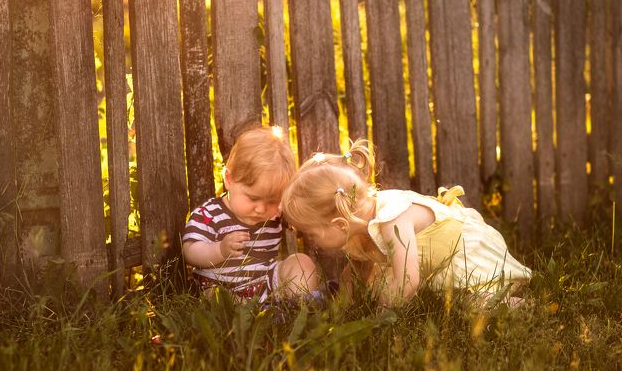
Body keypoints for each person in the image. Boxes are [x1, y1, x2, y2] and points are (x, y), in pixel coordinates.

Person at [281, 141, 532, 306]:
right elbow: (353, 276)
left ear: (339, 224)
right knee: (424, 296)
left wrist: (383, 314)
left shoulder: (392, 220)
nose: (311, 242)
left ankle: (516, 305)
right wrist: (341, 308)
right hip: (435, 262)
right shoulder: (358, 227)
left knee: (471, 305)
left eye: (311, 234)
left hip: (463, 253)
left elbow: (408, 279)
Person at [181, 125, 321, 303]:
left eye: (272, 201)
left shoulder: (275, 214)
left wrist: (290, 208)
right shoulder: (210, 215)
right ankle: (251, 310)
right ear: (229, 180)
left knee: (302, 263)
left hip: (266, 284)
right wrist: (219, 249)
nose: (261, 209)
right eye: (253, 198)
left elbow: (304, 221)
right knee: (213, 295)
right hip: (222, 288)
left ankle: (301, 304)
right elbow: (190, 251)